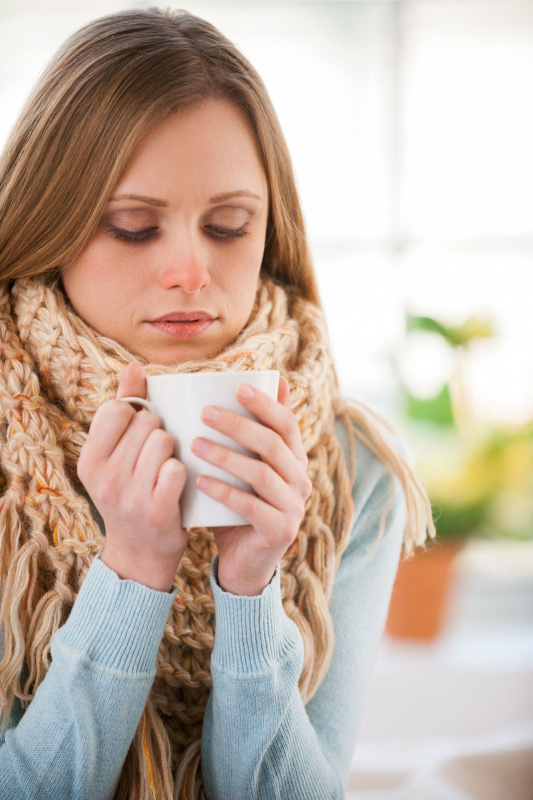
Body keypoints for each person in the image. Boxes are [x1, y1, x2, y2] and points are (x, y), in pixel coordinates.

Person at [0, 7, 435, 800]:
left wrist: (249, 588)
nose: (190, 271)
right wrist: (132, 570)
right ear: (50, 223)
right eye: (133, 227)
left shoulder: (352, 474)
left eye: (229, 225)